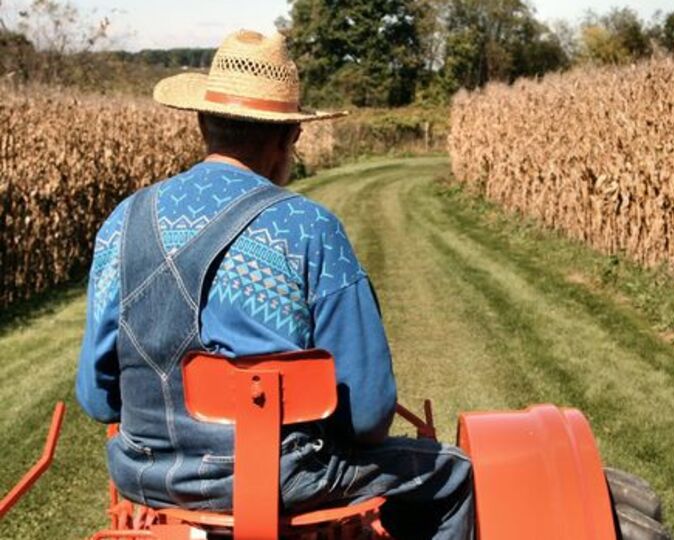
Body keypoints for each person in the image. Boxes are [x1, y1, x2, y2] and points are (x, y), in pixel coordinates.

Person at [74, 30, 474, 540]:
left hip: (145, 475)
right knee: (453, 472)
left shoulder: (121, 223)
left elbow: (97, 398)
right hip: (281, 480)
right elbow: (371, 414)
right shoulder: (308, 229)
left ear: (203, 123)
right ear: (290, 137)